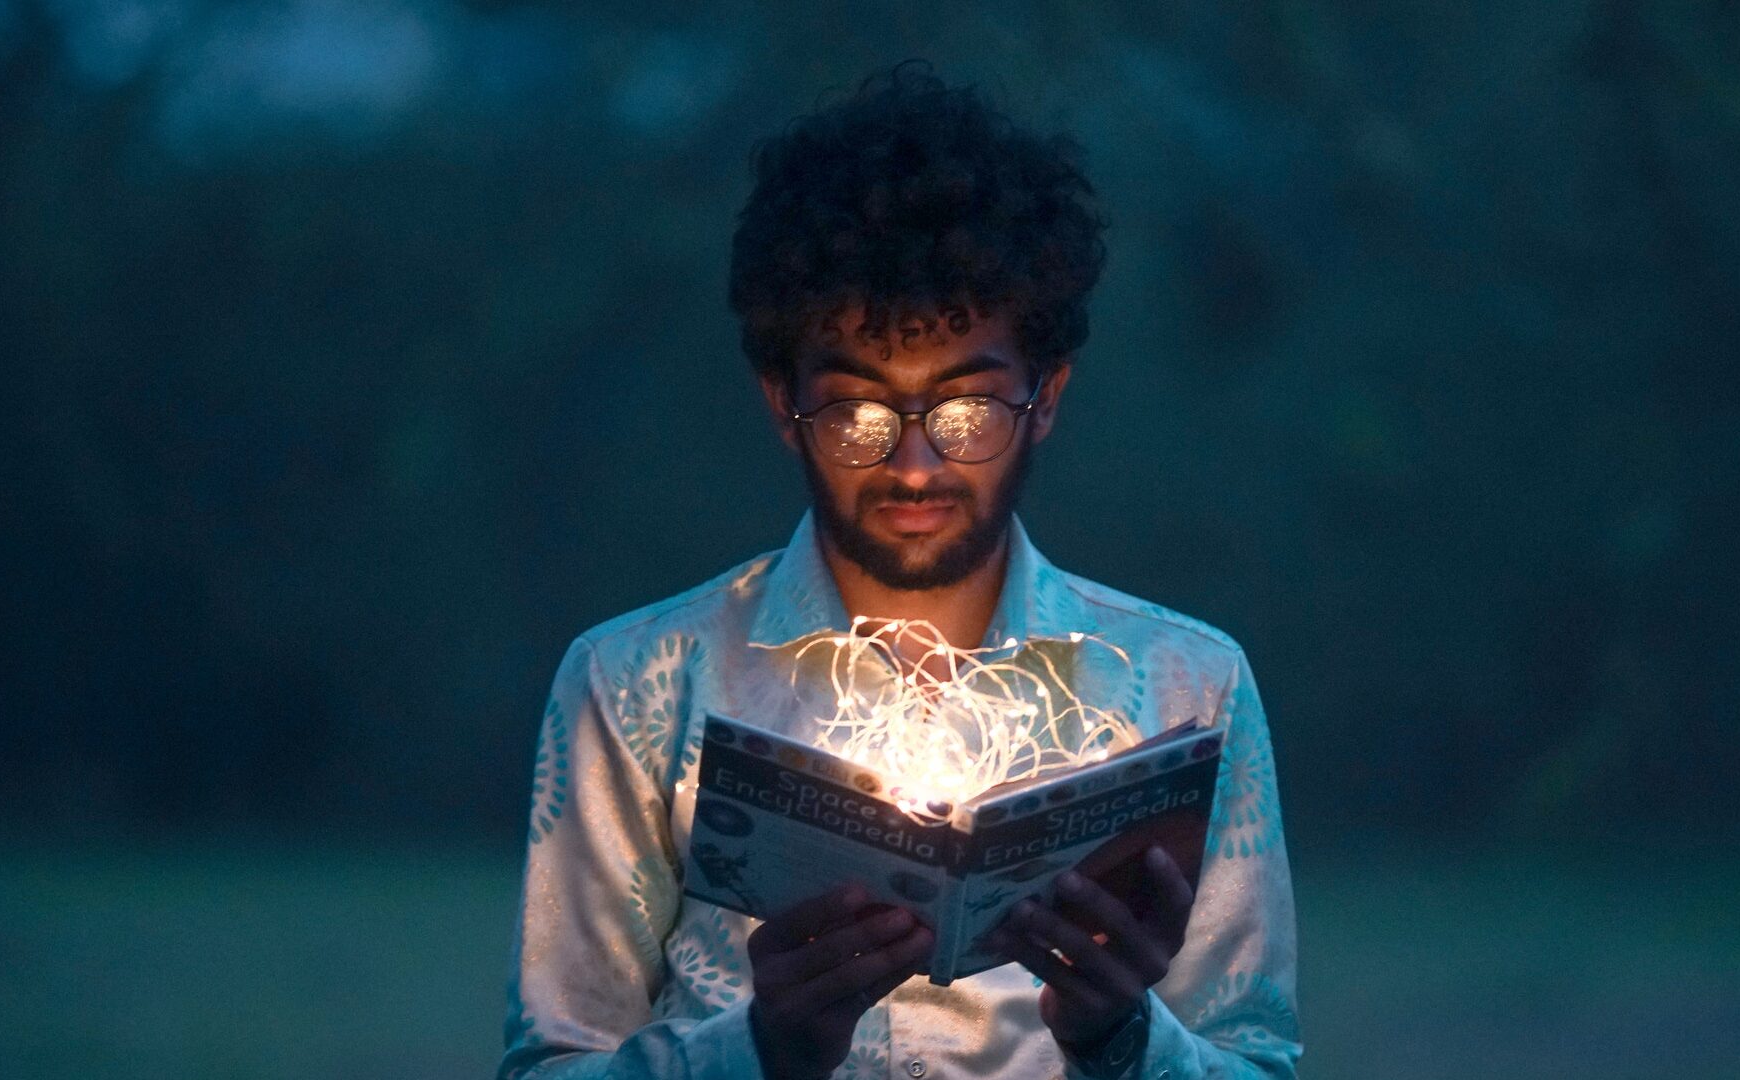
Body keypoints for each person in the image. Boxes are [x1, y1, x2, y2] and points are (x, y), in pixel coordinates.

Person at [498, 60, 1300, 1080]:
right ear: (783, 404)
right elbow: (552, 1064)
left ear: (1046, 399)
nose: (915, 464)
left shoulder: (1186, 688)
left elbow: (1255, 1059)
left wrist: (1121, 1037)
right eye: (858, 411)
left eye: (966, 410)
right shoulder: (637, 684)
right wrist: (761, 1049)